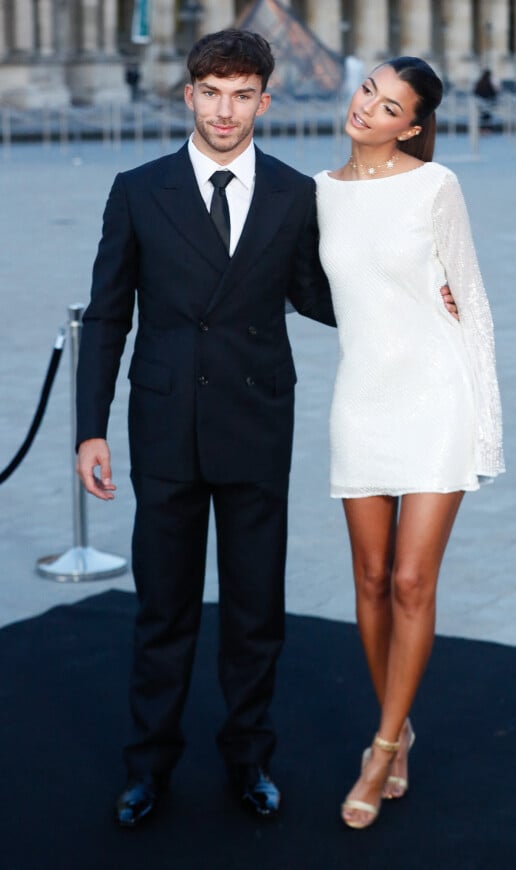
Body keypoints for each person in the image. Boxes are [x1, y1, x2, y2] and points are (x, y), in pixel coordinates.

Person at [75, 29, 337, 827]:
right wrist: (91, 429)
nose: (226, 110)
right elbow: (109, 314)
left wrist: (413, 283)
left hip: (257, 422)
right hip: (164, 428)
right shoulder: (137, 188)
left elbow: (325, 297)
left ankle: (249, 759)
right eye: (212, 93)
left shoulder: (296, 194)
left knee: (256, 610)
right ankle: (148, 766)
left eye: (242, 93)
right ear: (188, 96)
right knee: (164, 610)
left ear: (265, 99)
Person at [314, 56, 504, 830]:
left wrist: (486, 428)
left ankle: (384, 744)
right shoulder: (319, 193)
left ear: (412, 126)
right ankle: (402, 721)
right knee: (368, 576)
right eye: (368, 89)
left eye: (389, 105)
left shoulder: (435, 186)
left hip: (437, 397)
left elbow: (475, 304)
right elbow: (316, 287)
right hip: (361, 399)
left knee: (410, 582)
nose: (368, 107)